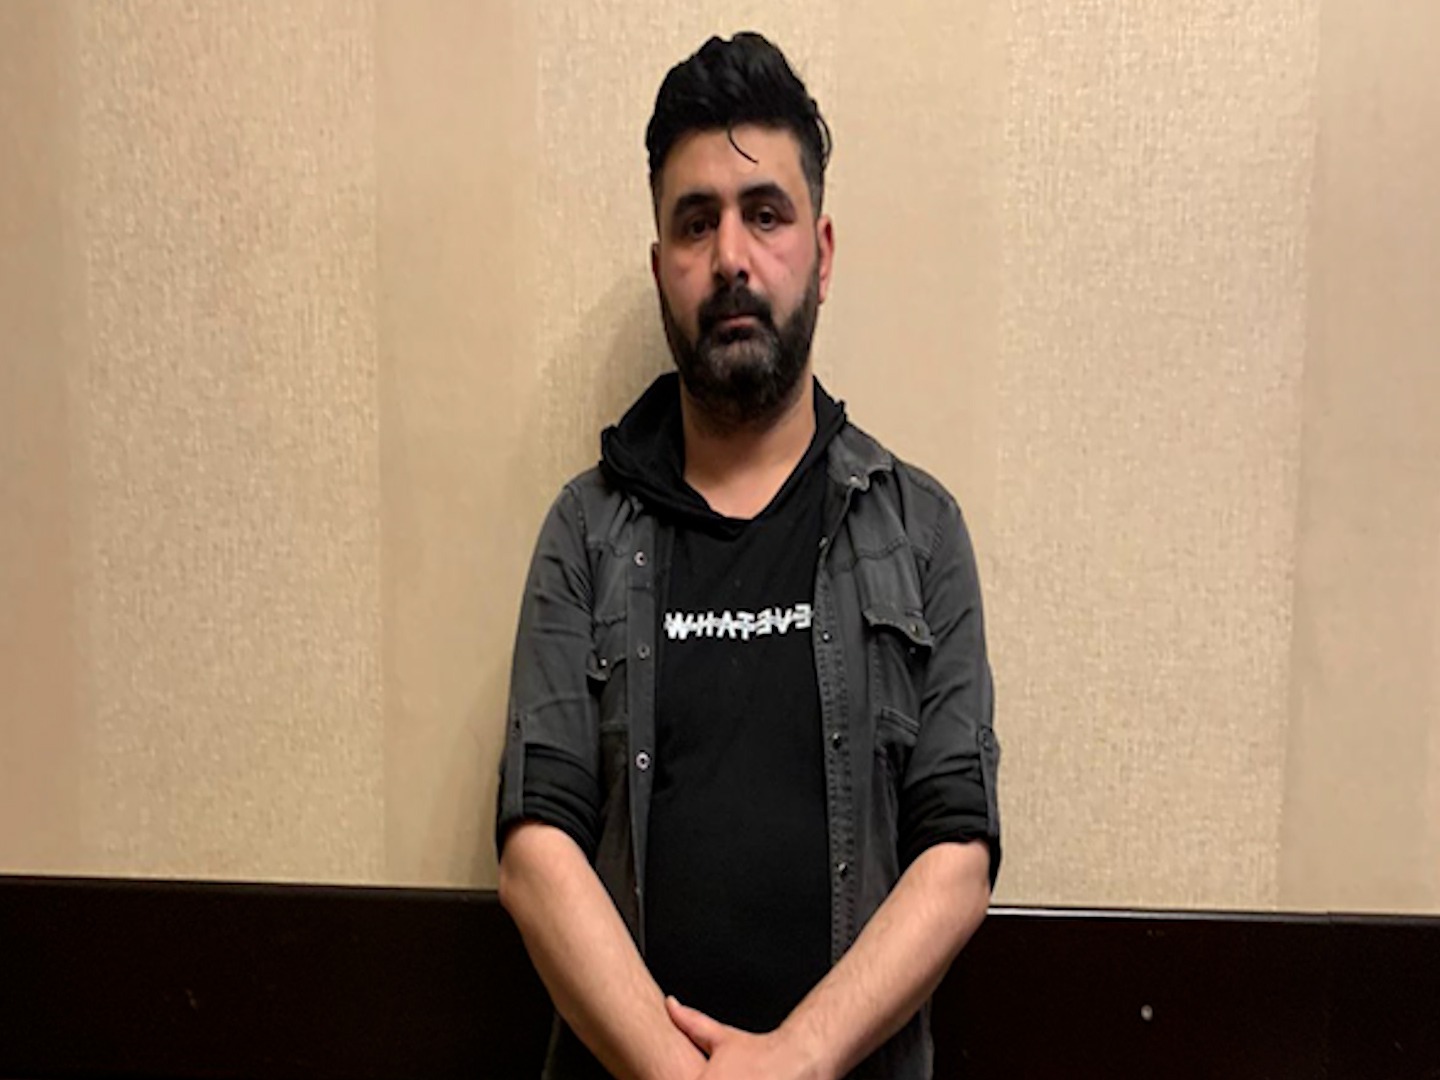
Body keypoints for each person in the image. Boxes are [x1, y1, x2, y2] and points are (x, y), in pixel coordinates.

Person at [496, 31, 1001, 1080]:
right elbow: (536, 854)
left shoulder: (920, 531)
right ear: (661, 268)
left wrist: (797, 1059)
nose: (731, 256)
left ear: (822, 251)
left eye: (765, 214)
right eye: (697, 221)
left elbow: (957, 852)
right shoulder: (584, 534)